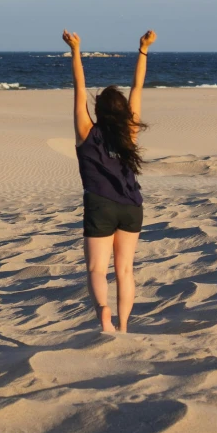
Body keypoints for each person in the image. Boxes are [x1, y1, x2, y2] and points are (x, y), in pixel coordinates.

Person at [62, 28, 157, 332]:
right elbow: (137, 87)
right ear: (123, 112)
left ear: (99, 111)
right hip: (131, 204)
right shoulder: (129, 131)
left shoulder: (86, 131)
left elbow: (79, 87)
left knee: (96, 269)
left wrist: (76, 50)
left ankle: (104, 315)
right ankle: (125, 326)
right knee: (125, 270)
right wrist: (143, 49)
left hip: (100, 204)